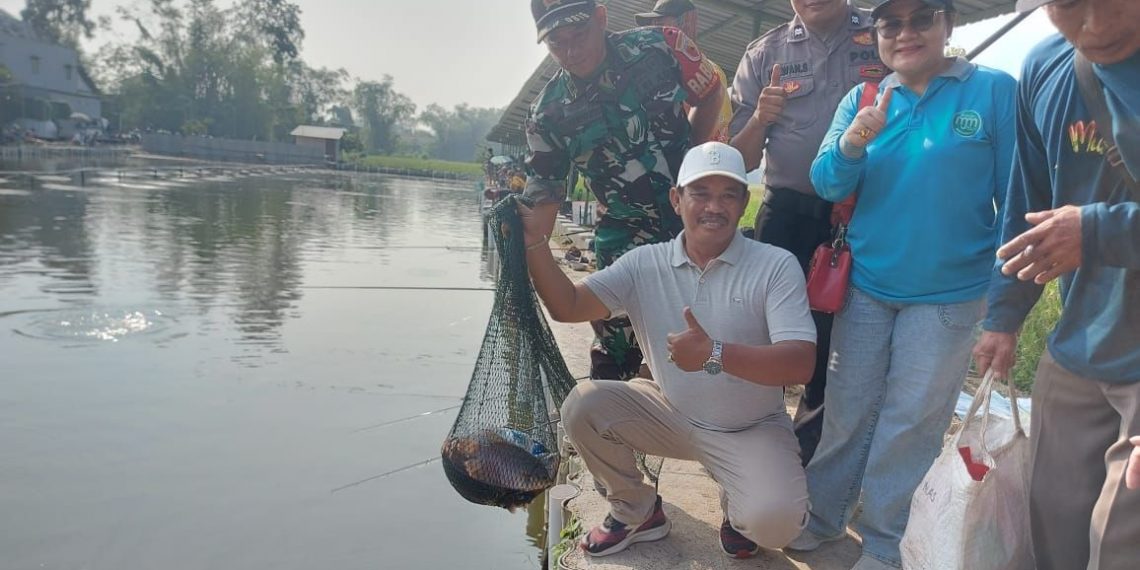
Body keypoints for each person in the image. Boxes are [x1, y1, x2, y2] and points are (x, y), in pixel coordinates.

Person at [791, 1, 1017, 568]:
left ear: (947, 24)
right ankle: (822, 517)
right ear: (876, 35)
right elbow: (824, 179)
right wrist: (853, 142)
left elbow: (1019, 196)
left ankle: (887, 543)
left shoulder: (992, 91)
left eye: (922, 19)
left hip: (949, 298)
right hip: (867, 285)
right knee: (847, 411)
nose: (907, 33)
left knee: (910, 425)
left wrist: (1004, 305)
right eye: (892, 23)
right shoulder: (863, 98)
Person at [520, 142, 815, 559]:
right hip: (670, 413)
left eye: (728, 194)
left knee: (774, 525)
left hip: (750, 427)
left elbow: (801, 363)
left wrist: (714, 353)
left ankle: (738, 502)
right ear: (677, 200)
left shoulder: (775, 265)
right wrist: (534, 244)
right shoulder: (644, 263)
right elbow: (567, 306)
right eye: (700, 193)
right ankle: (636, 509)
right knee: (582, 406)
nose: (714, 206)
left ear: (744, 202)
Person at [970, 0, 1140, 568]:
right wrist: (1003, 317)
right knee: (1050, 529)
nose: (1092, 23)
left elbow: (1078, 230)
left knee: (1120, 543)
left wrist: (1097, 232)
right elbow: (1028, 202)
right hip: (1080, 347)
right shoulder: (1045, 68)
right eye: (1067, 5)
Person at [525, 0, 726, 381]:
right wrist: (524, 235)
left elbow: (712, 91)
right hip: (624, 243)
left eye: (579, 34)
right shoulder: (547, 116)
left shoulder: (662, 47)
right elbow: (542, 206)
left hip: (698, 231)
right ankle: (606, 432)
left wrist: (692, 171)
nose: (571, 51)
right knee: (615, 357)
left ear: (600, 16)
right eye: (556, 43)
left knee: (703, 344)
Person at [728, 0, 885, 465]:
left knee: (839, 347)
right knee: (764, 334)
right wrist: (760, 119)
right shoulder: (764, 54)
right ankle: (752, 455)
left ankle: (807, 463)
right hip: (788, 216)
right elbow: (737, 159)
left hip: (865, 214)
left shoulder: (887, 32)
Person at [633, 0, 733, 143]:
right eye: (651, 25)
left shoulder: (710, 72)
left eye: (659, 23)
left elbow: (718, 133)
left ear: (686, 23)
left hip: (689, 159)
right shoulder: (642, 71)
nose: (653, 31)